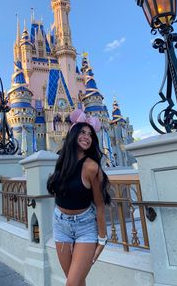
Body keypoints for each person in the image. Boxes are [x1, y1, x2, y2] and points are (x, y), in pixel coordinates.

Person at [47, 110, 111, 286]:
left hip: (85, 227)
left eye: (90, 134)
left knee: (72, 283)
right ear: (73, 133)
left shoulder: (91, 167)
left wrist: (102, 239)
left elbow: (99, 205)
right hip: (61, 225)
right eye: (82, 132)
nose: (87, 137)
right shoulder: (62, 161)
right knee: (77, 282)